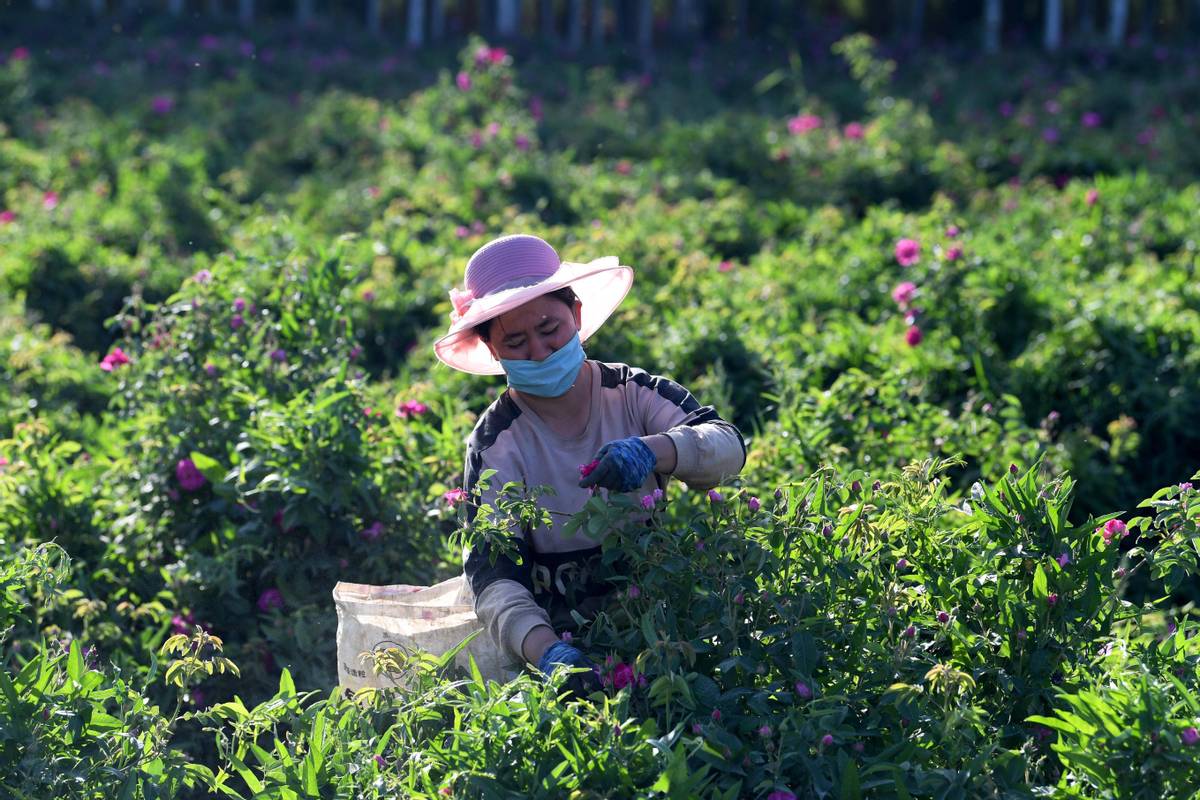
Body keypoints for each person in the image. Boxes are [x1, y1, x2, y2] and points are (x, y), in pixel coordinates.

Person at [433, 233, 746, 697]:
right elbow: (493, 576)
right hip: (553, 634)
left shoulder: (632, 391)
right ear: (493, 352)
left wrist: (651, 450)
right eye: (515, 342)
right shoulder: (497, 442)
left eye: (549, 329)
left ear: (576, 315)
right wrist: (547, 654)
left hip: (657, 621)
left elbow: (727, 447)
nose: (539, 352)